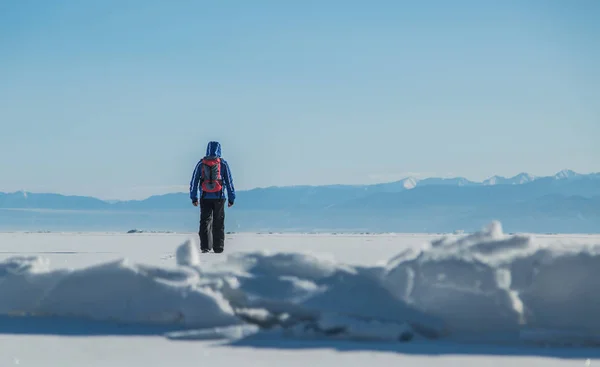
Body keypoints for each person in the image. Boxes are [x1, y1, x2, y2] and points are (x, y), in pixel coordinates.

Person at [189, 141, 236, 253]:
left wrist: (194, 197)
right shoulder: (223, 164)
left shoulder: (201, 164)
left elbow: (194, 181)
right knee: (218, 222)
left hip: (205, 197)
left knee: (205, 221)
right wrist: (231, 198)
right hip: (219, 197)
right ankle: (218, 247)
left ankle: (205, 246)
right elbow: (229, 182)